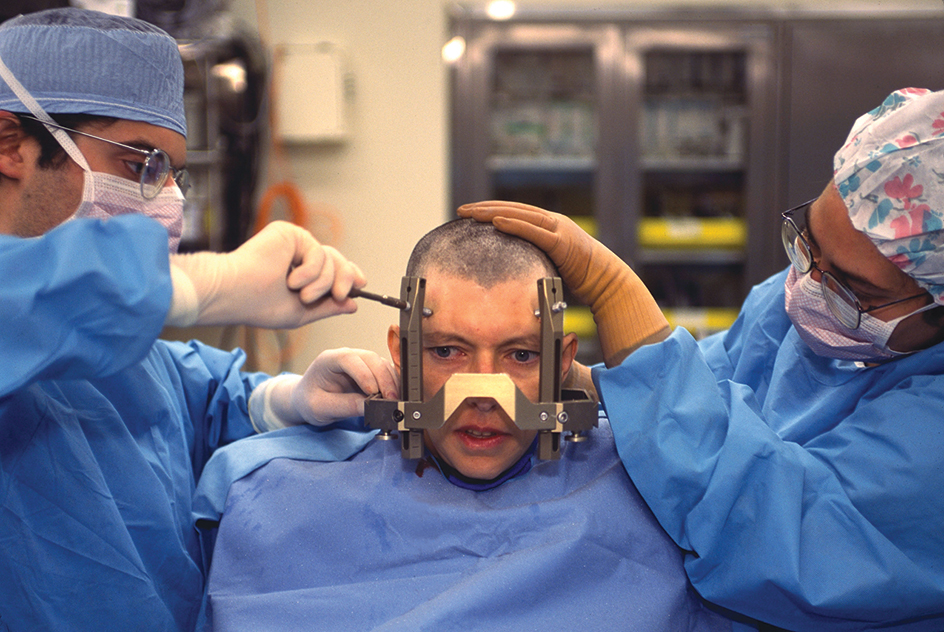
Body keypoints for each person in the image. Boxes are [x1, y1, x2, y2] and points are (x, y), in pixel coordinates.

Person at [458, 87, 944, 631]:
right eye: (809, 243)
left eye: (852, 289)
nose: (809, 283)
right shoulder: (788, 311)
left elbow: (778, 533)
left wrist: (620, 300)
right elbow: (700, 397)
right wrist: (576, 381)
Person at [0, 8, 388, 632]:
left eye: (174, 173)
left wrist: (287, 400)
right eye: (139, 164)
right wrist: (213, 283)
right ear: (11, 144)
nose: (170, 200)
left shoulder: (128, 353)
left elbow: (193, 397)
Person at [194, 218, 731, 632]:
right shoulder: (271, 494)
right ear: (400, 352)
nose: (482, 394)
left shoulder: (655, 486)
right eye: (448, 350)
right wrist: (279, 400)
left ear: (563, 361)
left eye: (520, 355)